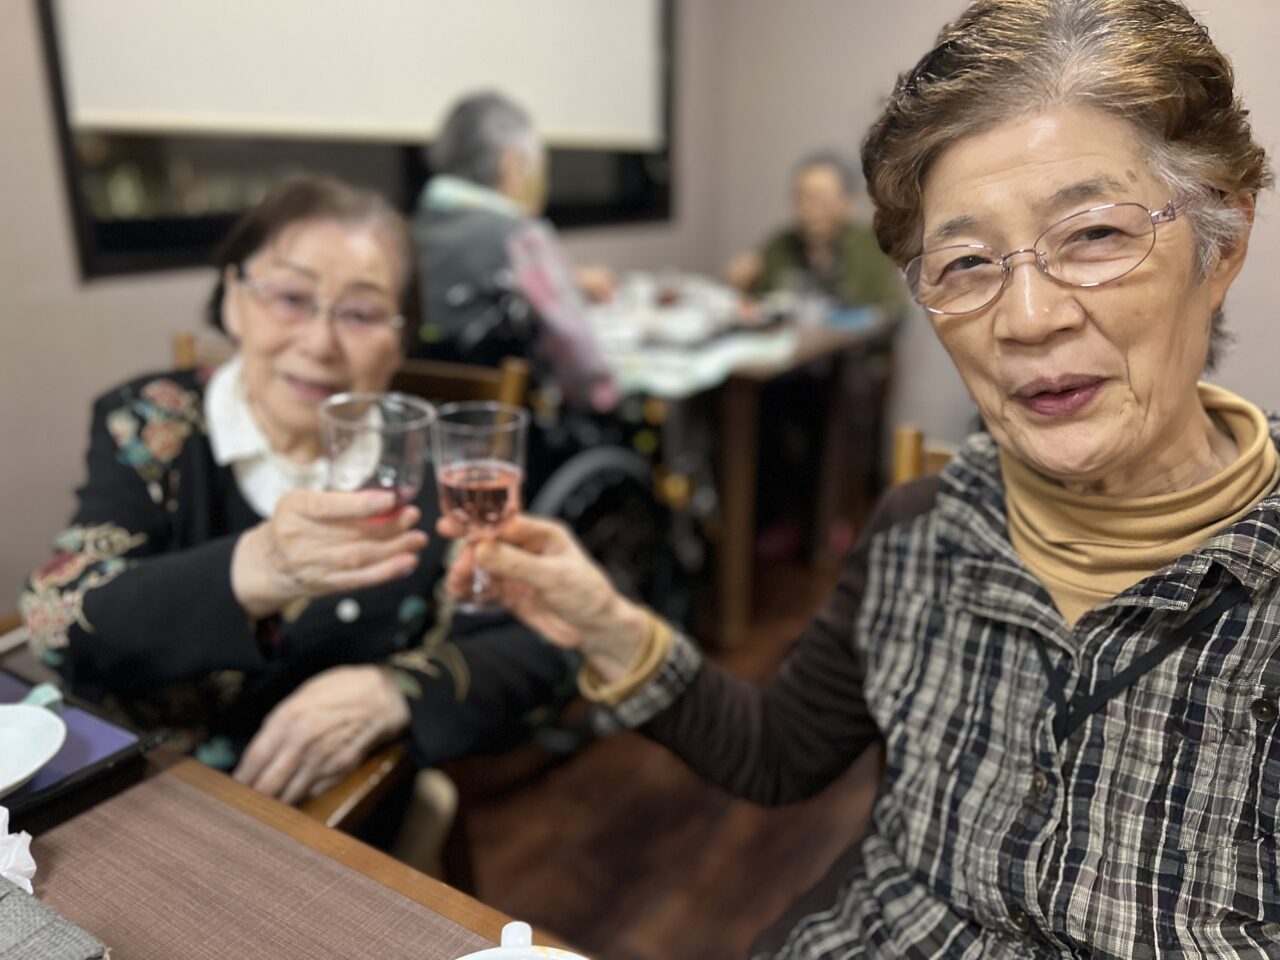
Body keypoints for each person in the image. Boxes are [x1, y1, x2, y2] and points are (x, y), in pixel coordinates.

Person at [440, 1, 1280, 955]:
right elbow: (780, 750)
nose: (1027, 317)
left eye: (1091, 234)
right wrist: (599, 615)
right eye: (965, 262)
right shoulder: (921, 527)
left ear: (1222, 241)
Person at [19, 175, 571, 808]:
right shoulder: (150, 425)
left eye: (361, 313)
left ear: (401, 339)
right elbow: (59, 621)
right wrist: (255, 569)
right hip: (143, 792)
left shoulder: (435, 470)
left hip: (336, 810)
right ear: (234, 299)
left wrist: (393, 692)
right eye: (290, 297)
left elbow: (546, 647)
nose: (319, 343)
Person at [411, 91, 615, 371]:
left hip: (419, 396)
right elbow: (583, 360)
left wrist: (573, 281)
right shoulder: (520, 237)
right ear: (512, 164)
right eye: (538, 169)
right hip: (503, 397)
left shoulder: (410, 229)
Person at [726, 150, 902, 308]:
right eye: (801, 198)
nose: (810, 209)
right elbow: (756, 304)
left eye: (822, 199)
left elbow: (890, 310)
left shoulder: (871, 246)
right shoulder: (779, 245)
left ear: (848, 201)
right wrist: (742, 284)